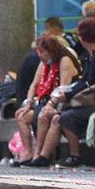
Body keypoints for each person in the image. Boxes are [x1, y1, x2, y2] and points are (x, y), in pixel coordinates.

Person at [25, 18, 95, 168]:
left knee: (65, 117)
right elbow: (85, 82)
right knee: (57, 118)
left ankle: (74, 155)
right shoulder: (94, 56)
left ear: (82, 38)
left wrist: (66, 96)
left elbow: (89, 82)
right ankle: (44, 156)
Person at [13, 35, 79, 166]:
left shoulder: (65, 60)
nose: (39, 55)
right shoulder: (43, 64)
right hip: (44, 102)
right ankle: (27, 153)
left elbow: (63, 88)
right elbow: (34, 85)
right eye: (37, 51)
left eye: (42, 52)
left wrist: (51, 103)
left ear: (52, 51)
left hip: (63, 102)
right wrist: (28, 103)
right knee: (22, 116)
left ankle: (39, 154)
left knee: (43, 116)